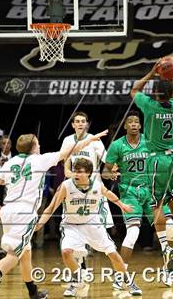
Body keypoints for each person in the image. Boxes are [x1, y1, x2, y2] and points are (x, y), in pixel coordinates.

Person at [0, 130, 108, 299]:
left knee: (25, 252)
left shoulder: (10, 162)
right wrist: (91, 139)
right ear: (34, 147)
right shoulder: (40, 159)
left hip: (8, 210)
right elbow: (70, 150)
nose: (40, 145)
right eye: (38, 143)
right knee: (14, 254)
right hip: (25, 213)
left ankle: (32, 292)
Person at [37, 158, 142, 296]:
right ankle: (77, 280)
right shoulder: (66, 186)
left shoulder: (97, 185)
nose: (76, 174)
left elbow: (108, 193)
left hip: (93, 224)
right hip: (72, 225)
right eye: (75, 171)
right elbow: (50, 208)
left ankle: (128, 282)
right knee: (66, 252)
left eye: (80, 172)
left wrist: (122, 205)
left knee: (113, 254)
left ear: (89, 173)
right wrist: (38, 225)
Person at [102, 111, 173, 287]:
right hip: (130, 192)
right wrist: (110, 173)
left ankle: (168, 270)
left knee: (170, 228)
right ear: (126, 126)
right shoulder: (117, 145)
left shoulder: (150, 141)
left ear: (140, 126)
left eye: (137, 121)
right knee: (133, 233)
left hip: (152, 191)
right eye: (130, 122)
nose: (134, 124)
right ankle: (120, 276)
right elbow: (104, 171)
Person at [130, 60, 173, 267]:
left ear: (155, 94)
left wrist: (153, 72)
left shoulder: (149, 106)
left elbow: (134, 89)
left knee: (156, 204)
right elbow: (171, 93)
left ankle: (166, 246)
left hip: (158, 161)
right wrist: (169, 77)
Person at [60, 111, 114, 266]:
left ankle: (109, 259)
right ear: (72, 125)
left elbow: (107, 160)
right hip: (74, 188)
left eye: (83, 121)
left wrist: (114, 168)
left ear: (87, 124)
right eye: (77, 121)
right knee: (75, 223)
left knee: (95, 224)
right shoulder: (67, 140)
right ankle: (80, 263)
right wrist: (75, 178)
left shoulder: (95, 141)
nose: (80, 124)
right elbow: (66, 166)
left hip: (94, 189)